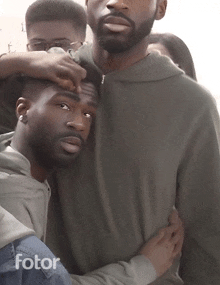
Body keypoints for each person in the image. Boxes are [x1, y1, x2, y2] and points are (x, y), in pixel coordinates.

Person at [0, 0, 219, 284]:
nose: (118, 1)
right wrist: (17, 61)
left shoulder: (192, 106)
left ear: (160, 7)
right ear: (88, 1)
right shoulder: (48, 80)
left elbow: (208, 233)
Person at [0, 69, 183, 284]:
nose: (79, 123)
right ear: (23, 109)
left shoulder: (34, 172)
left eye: (88, 114)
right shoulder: (9, 192)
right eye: (64, 106)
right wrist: (145, 267)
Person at [0, 0, 87, 134]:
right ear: (28, 48)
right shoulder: (12, 86)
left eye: (60, 44)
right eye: (38, 45)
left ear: (82, 45)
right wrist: (16, 62)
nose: (49, 54)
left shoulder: (93, 87)